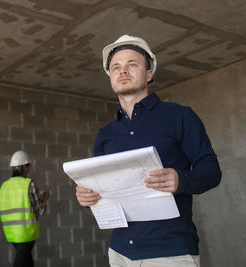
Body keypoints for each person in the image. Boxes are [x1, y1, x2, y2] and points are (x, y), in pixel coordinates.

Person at [75, 34, 221, 267]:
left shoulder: (180, 117)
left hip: (170, 252)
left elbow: (211, 171)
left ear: (149, 73)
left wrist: (180, 179)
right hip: (120, 252)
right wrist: (88, 195)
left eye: (132, 64)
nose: (123, 71)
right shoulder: (105, 135)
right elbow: (103, 189)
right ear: (111, 77)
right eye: (116, 67)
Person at [0, 150, 49, 267]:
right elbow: (40, 211)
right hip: (26, 233)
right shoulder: (28, 184)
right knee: (21, 263)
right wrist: (44, 200)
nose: (29, 169)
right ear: (24, 166)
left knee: (27, 262)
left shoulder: (4, 186)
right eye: (28, 166)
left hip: (10, 233)